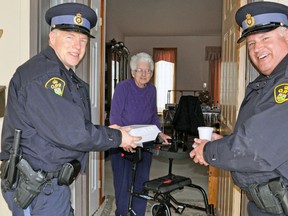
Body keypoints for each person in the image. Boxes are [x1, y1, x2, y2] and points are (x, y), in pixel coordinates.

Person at [0, 3, 140, 216]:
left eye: (83, 40)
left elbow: (71, 123)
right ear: (52, 38)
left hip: (47, 185)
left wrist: (111, 131)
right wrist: (117, 137)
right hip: (37, 188)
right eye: (69, 37)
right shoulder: (45, 76)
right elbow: (72, 132)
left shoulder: (61, 74)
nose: (77, 46)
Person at [190, 1, 288, 215]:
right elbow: (256, 134)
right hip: (265, 204)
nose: (257, 48)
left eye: (265, 38)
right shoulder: (266, 83)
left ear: (287, 35)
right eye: (251, 43)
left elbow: (255, 148)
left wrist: (207, 151)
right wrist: (225, 142)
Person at [109, 52, 171, 216]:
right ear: (132, 72)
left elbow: (152, 116)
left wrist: (160, 134)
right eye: (140, 70)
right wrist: (124, 140)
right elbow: (114, 119)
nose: (144, 74)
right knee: (123, 183)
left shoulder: (152, 90)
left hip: (145, 142)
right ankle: (122, 213)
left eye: (148, 71)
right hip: (122, 142)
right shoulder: (123, 88)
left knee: (142, 181)